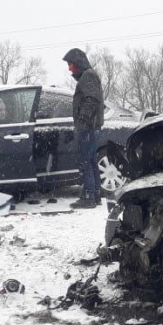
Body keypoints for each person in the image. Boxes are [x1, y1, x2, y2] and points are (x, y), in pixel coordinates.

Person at [63, 48, 104, 209]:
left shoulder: (88, 76)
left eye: (71, 64)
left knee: (86, 161)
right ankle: (95, 194)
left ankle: (88, 196)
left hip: (89, 127)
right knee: (91, 160)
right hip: (91, 126)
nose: (69, 69)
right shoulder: (89, 76)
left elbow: (92, 100)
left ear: (78, 63)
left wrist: (82, 121)